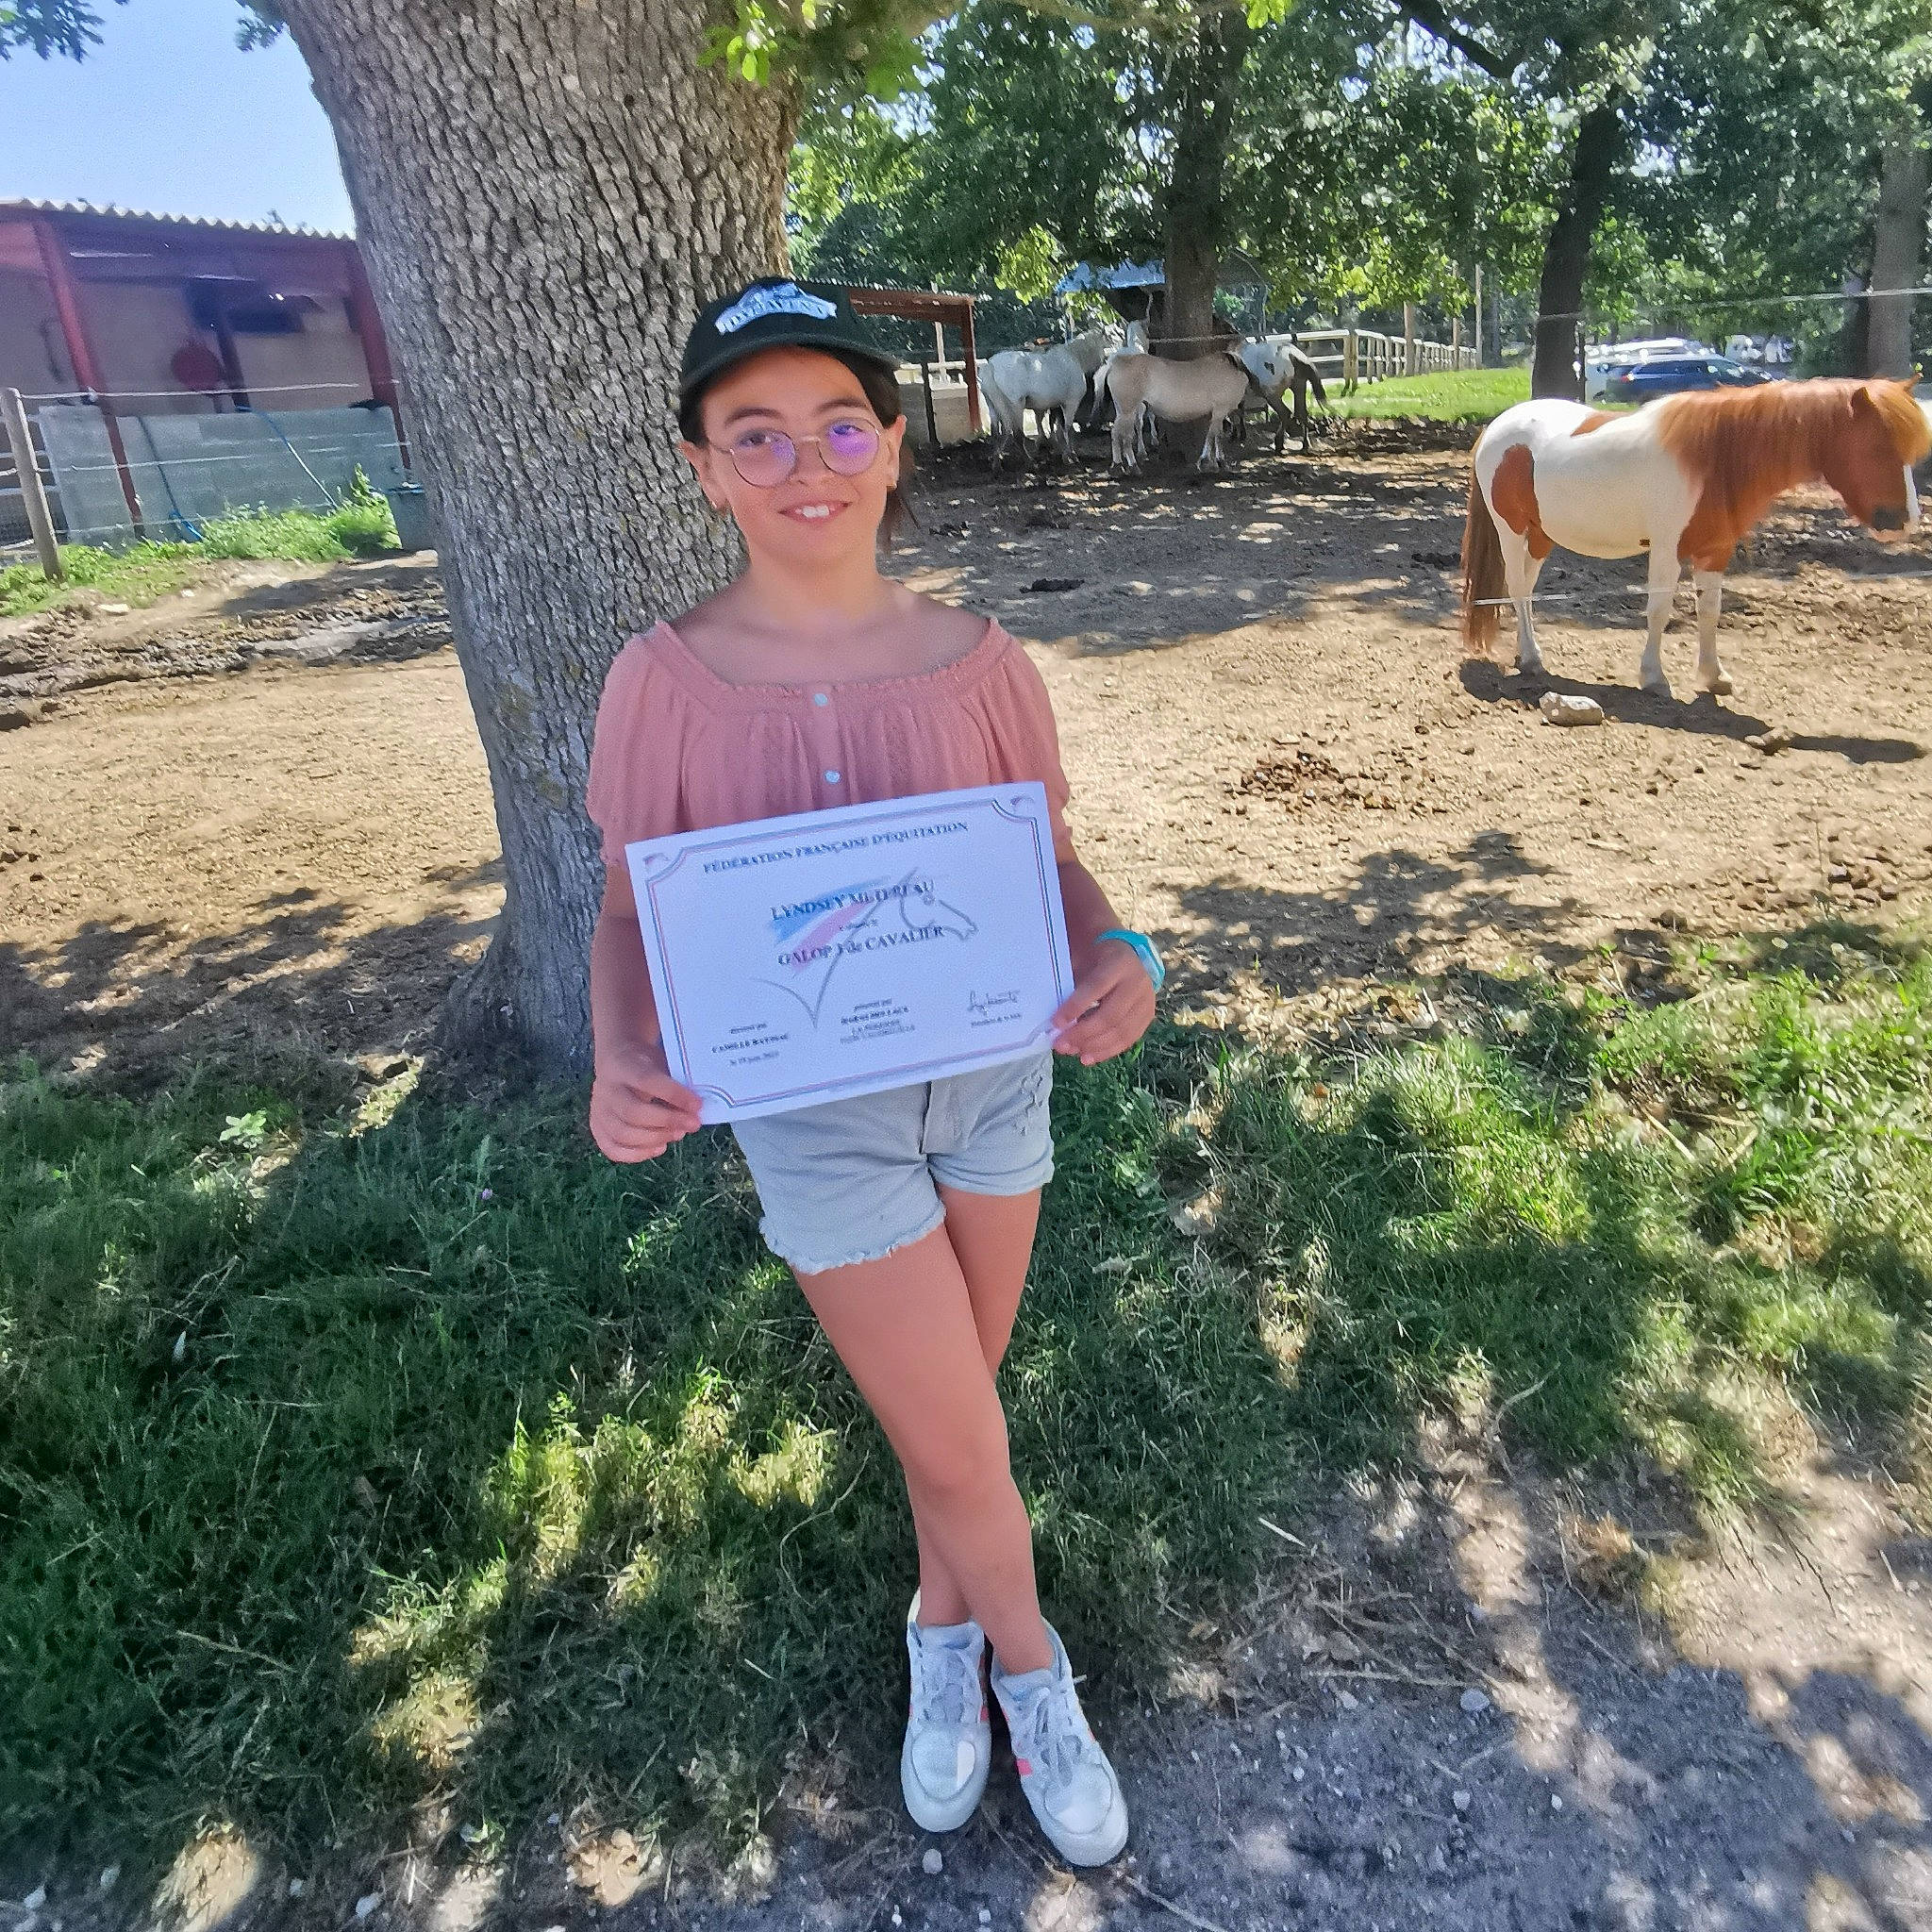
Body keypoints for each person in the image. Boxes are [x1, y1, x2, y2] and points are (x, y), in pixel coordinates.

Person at [584, 278, 1164, 1866]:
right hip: (814, 1124)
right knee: (966, 1437)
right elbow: (633, 909)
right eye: (753, 433)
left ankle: (938, 1619)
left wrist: (1129, 956)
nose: (805, 463)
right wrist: (620, 1051)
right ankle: (1031, 1678)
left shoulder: (984, 663)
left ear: (896, 446)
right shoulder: (662, 684)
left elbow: (1050, 869)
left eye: (841, 422)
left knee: (948, 1421)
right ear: (704, 467)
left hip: (995, 1088)